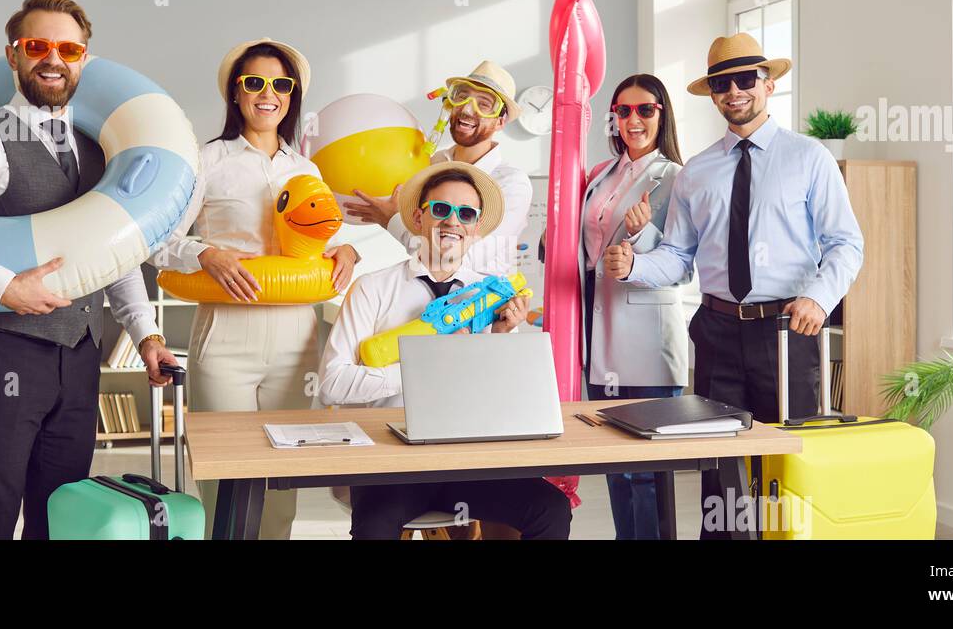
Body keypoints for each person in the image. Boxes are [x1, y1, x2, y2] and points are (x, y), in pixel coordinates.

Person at [0, 0, 178, 539]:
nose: (54, 59)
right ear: (13, 55)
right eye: (37, 46)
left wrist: (145, 335)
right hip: (4, 349)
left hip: (78, 355)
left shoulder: (101, 149)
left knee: (62, 505)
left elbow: (112, 252)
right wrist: (3, 287)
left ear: (83, 60)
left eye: (68, 48)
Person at [604, 33, 864, 539]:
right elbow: (678, 258)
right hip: (717, 330)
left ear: (768, 85)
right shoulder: (697, 172)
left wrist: (819, 296)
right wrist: (632, 265)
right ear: (714, 95)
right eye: (723, 83)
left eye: (746, 79)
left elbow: (845, 244)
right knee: (719, 470)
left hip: (788, 331)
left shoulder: (808, 159)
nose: (734, 91)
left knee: (785, 466)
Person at [153, 39, 360, 540]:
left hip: (295, 339)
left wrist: (349, 251)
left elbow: (320, 236)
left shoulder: (306, 169)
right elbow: (160, 241)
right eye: (255, 82)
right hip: (226, 336)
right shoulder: (206, 160)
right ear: (236, 93)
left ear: (292, 96)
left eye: (281, 84)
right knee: (227, 476)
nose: (269, 94)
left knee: (282, 480)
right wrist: (206, 254)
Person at [318, 162, 572, 540]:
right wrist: (419, 370)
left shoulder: (491, 295)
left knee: (551, 509)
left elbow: (506, 401)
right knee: (373, 528)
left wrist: (501, 337)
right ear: (418, 218)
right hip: (391, 465)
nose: (452, 222)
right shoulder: (372, 289)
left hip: (470, 463)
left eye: (465, 214)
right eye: (441, 210)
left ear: (475, 228)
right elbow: (331, 385)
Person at [582, 74, 687, 540]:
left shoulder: (676, 177)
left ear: (662, 115)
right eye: (623, 110)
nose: (633, 119)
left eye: (645, 109)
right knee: (615, 467)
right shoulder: (601, 174)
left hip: (646, 344)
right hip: (599, 338)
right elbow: (588, 248)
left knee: (646, 474)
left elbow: (683, 261)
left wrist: (641, 236)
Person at [345, 61, 532, 277]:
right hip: (430, 293)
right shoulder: (432, 164)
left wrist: (391, 220)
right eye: (461, 96)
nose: (467, 109)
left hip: (485, 303)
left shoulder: (512, 183)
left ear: (500, 121)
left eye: (484, 104)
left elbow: (458, 258)